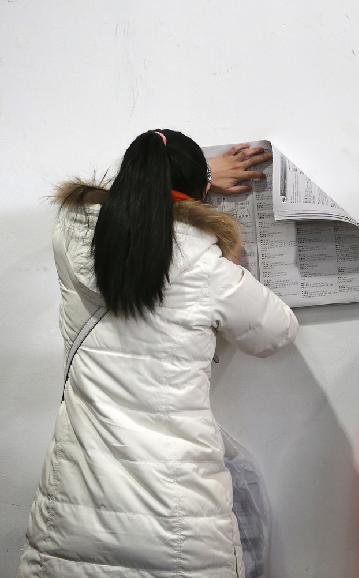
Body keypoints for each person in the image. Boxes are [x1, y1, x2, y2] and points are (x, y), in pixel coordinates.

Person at [17, 130, 299, 577]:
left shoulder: (68, 237)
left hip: (74, 517)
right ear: (198, 195)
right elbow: (277, 332)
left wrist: (191, 177)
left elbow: (121, 203)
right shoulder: (209, 269)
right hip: (179, 523)